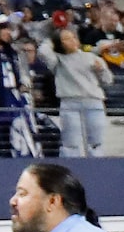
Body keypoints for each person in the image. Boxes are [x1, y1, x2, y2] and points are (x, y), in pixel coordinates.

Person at [48, 26, 112, 157]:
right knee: (71, 141)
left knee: (96, 140)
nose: (71, 40)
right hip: (69, 101)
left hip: (93, 100)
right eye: (66, 39)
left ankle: (96, 165)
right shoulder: (57, 60)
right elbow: (43, 52)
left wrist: (101, 70)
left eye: (73, 37)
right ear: (59, 43)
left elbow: (108, 80)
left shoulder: (91, 57)